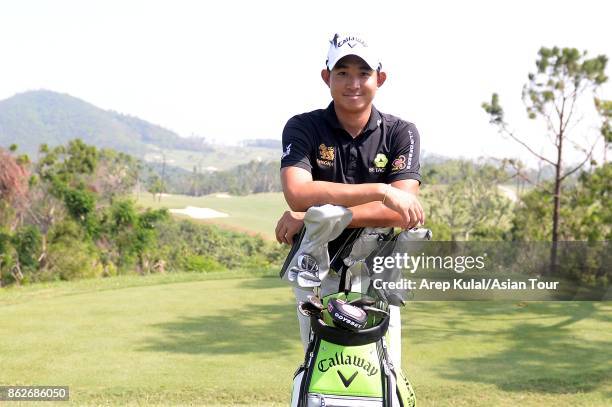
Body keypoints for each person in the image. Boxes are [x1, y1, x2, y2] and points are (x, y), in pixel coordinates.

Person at [275, 33, 425, 365]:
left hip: (378, 268)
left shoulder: (402, 132)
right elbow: (298, 193)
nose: (352, 82)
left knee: (383, 370)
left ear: (379, 79)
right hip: (316, 266)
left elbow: (403, 213)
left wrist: (313, 218)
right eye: (342, 72)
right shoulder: (303, 127)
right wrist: (380, 192)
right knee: (321, 368)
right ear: (326, 77)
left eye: (363, 72)